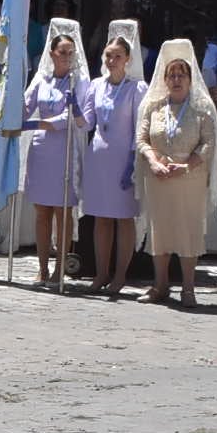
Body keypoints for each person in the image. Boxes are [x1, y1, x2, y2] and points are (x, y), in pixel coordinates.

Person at [137, 38, 214, 308]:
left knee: (188, 230)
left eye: (182, 75)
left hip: (188, 178)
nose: (177, 79)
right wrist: (153, 161)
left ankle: (189, 288)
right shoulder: (154, 107)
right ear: (165, 79)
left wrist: (188, 164)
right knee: (161, 231)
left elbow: (207, 142)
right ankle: (160, 285)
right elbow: (142, 138)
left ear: (190, 79)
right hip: (159, 177)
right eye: (172, 75)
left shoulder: (201, 110)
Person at [79, 25, 144, 297]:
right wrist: (73, 108)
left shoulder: (136, 88)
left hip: (123, 158)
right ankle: (101, 272)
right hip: (98, 157)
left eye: (116, 56)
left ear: (127, 59)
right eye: (107, 55)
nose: (111, 61)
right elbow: (87, 121)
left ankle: (120, 274)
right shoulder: (96, 85)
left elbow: (140, 125)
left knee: (123, 218)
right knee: (101, 218)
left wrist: (132, 159)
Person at [25, 18, 86, 289]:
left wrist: (48, 123)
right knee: (42, 213)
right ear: (52, 54)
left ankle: (61, 267)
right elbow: (27, 107)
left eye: (71, 53)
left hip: (65, 148)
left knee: (63, 212)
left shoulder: (78, 80)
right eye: (62, 52)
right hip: (41, 149)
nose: (67, 57)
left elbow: (74, 115)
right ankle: (42, 267)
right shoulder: (42, 78)